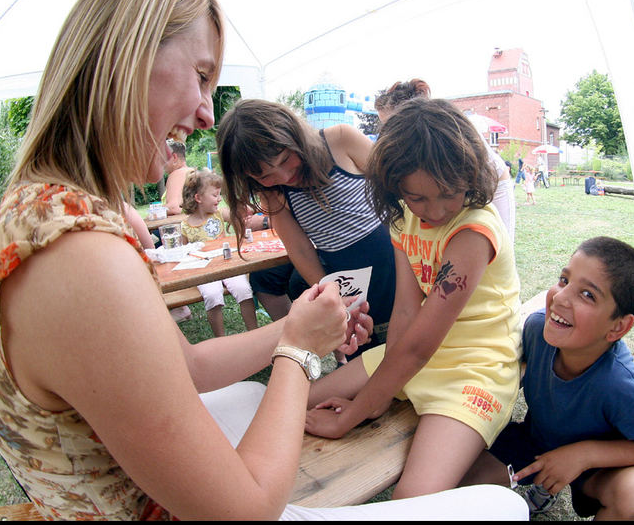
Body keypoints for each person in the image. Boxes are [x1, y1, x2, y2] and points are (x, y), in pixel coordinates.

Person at [0, 0, 444, 520]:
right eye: (201, 74)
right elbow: (245, 512)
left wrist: (294, 324)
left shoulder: (36, 212)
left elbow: (181, 369)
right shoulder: (83, 259)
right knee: (493, 509)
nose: (206, 111)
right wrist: (295, 351)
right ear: (129, 55)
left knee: (250, 397)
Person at [304, 98, 523, 501]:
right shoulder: (403, 217)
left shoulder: (473, 230)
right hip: (415, 353)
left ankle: (500, 480)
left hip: (474, 370)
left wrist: (358, 410)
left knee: (410, 500)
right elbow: (405, 309)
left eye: (448, 193)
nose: (434, 211)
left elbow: (420, 344)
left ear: (469, 174)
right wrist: (383, 388)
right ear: (395, 189)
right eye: (418, 198)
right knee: (297, 403)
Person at [461, 236, 634, 520]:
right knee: (458, 482)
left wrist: (583, 455)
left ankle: (551, 487)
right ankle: (543, 487)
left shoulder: (624, 386)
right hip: (534, 443)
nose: (560, 297)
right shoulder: (537, 330)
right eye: (564, 280)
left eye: (588, 295)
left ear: (618, 327)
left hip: (596, 468)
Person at [216, 99, 398, 364]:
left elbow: (397, 187)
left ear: (295, 136)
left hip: (397, 261)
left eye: (285, 159)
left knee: (407, 341)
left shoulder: (340, 140)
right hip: (348, 280)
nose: (283, 174)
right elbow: (300, 249)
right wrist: (334, 298)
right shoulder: (274, 193)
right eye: (264, 174)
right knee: (367, 353)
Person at [374, 79, 516, 243]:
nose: (388, 130)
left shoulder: (443, 127)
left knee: (497, 241)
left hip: (491, 182)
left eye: (389, 122)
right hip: (456, 189)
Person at [179, 168, 258, 335]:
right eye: (215, 195)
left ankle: (254, 331)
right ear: (198, 198)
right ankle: (220, 339)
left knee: (243, 289)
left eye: (219, 195)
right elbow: (183, 253)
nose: (219, 199)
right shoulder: (185, 226)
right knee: (213, 295)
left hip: (226, 263)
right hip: (204, 270)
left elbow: (240, 217)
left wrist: (242, 213)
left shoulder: (220, 214)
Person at [161, 140, 192, 215]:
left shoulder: (176, 174)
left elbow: (173, 207)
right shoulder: (192, 171)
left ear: (174, 157)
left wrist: (153, 213)